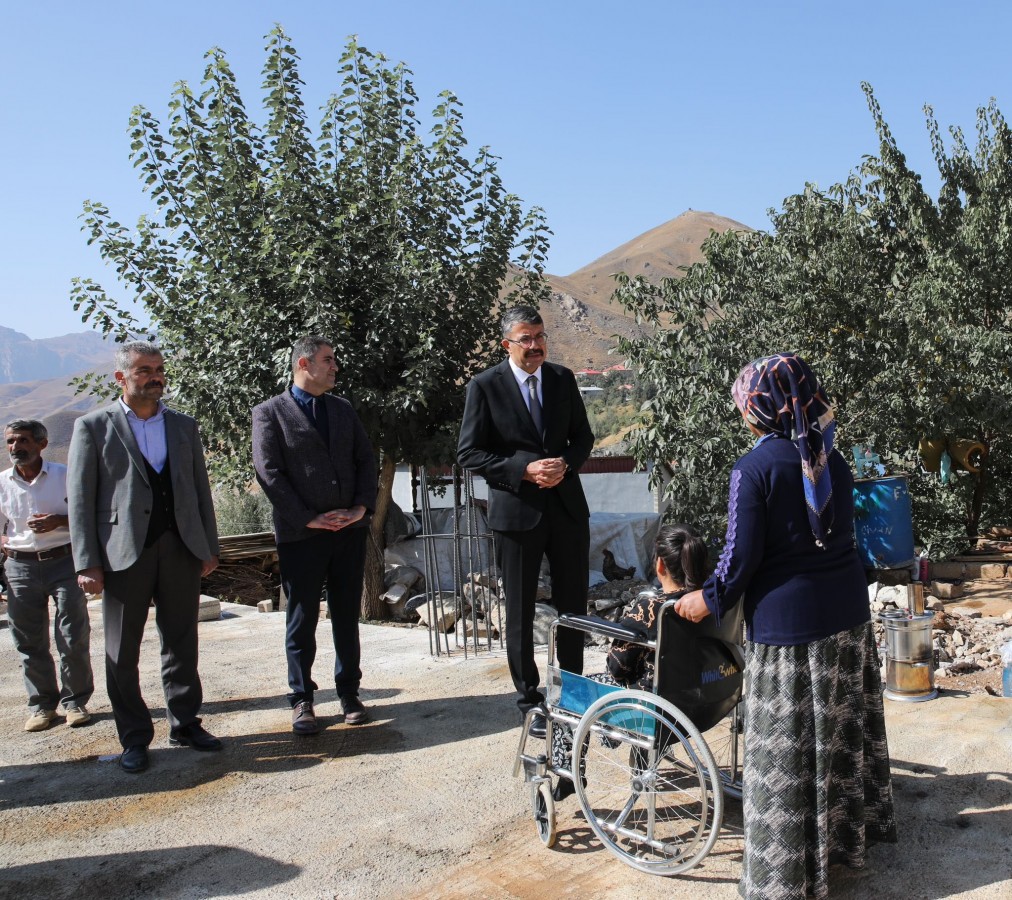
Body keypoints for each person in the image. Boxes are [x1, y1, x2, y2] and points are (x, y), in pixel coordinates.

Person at [674, 353, 896, 900]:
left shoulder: (753, 469)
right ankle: (843, 846)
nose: (743, 415)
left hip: (790, 630)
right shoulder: (830, 460)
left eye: (745, 405)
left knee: (786, 753)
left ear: (762, 407)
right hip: (847, 620)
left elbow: (740, 556)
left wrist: (707, 600)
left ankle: (784, 877)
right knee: (837, 738)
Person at [68, 341, 222, 773]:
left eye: (159, 369)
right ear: (122, 377)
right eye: (144, 370)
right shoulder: (93, 427)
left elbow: (198, 490)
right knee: (121, 651)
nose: (155, 377)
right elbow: (80, 500)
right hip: (122, 555)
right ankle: (134, 736)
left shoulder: (183, 426)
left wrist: (208, 545)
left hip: (180, 548)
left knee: (181, 641)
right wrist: (87, 562)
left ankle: (185, 722)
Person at [457, 305, 594, 737]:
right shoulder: (484, 387)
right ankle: (529, 701)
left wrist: (565, 466)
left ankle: (573, 695)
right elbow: (469, 453)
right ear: (507, 344)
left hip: (567, 508)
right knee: (518, 609)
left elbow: (583, 438)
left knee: (574, 606)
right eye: (525, 338)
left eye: (539, 336)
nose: (535, 345)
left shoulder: (562, 379)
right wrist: (525, 470)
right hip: (516, 514)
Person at [252, 335, 377, 735]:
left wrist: (360, 507)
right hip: (301, 535)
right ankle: (302, 698)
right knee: (302, 618)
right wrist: (308, 518)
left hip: (348, 533)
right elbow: (268, 473)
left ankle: (349, 694)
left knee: (346, 615)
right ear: (304, 364)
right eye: (328, 360)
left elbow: (365, 459)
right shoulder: (269, 413)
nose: (335, 366)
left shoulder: (342, 410)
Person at [549, 523, 709, 794]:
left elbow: (617, 668)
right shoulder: (710, 602)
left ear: (659, 565)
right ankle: (644, 761)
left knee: (569, 694)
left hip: (653, 709)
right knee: (652, 677)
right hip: (702, 699)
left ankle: (567, 774)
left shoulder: (651, 606)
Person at [1, 419, 94, 732]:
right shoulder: (2, 483)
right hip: (19, 567)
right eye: (11, 441)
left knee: (72, 635)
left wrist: (57, 521)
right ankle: (42, 706)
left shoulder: (65, 476)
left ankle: (75, 702)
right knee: (28, 641)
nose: (17, 448)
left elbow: (88, 518)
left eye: (24, 441)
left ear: (41, 444)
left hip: (65, 562)